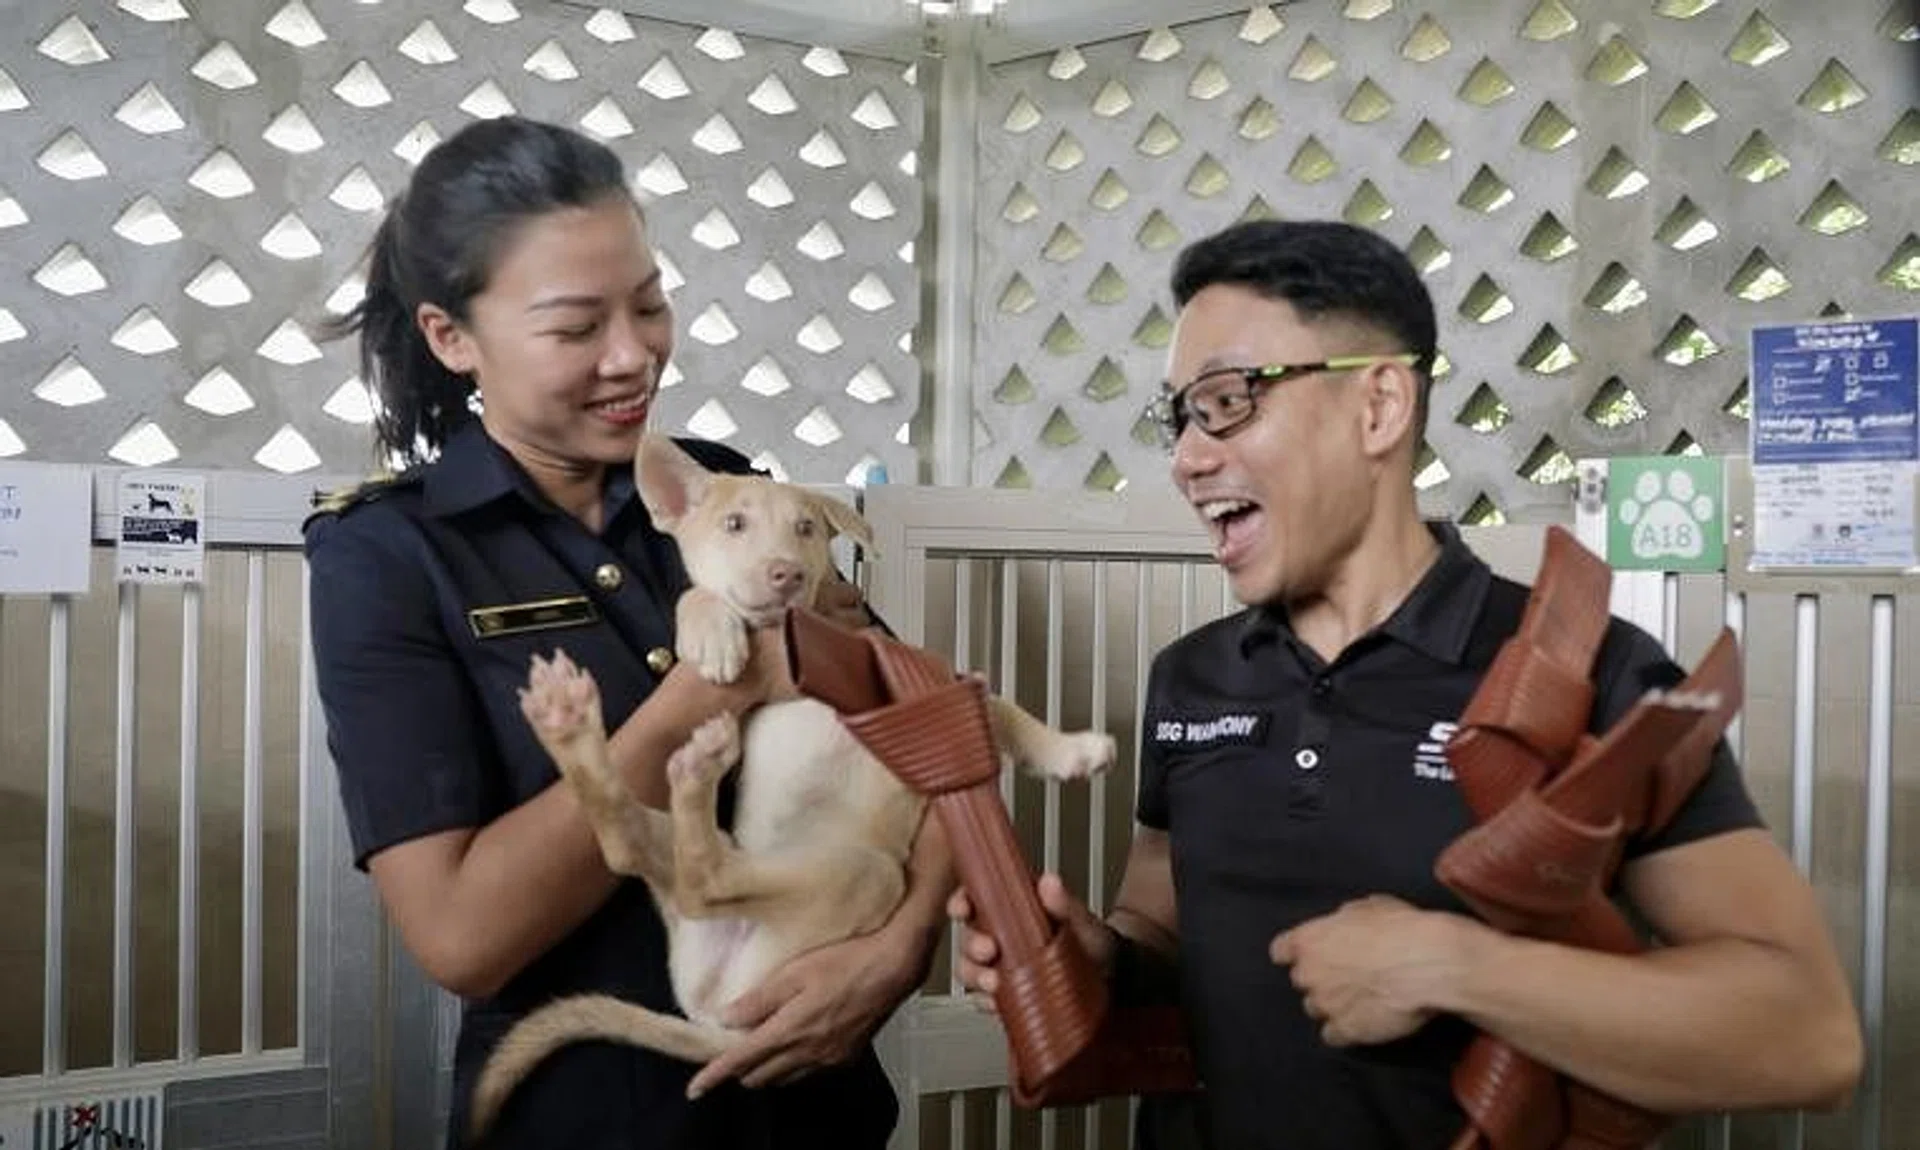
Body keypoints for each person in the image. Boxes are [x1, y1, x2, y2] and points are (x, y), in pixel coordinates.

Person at [950, 219, 1863, 1148]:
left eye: (1227, 402)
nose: (1186, 455)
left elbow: (1807, 1035)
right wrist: (1092, 959)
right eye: (1179, 415)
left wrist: (1457, 969)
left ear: (1379, 406)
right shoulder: (1190, 678)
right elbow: (1161, 928)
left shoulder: (1588, 672)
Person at [305, 115, 946, 1149]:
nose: (633, 353)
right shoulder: (387, 556)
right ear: (450, 336)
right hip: (586, 1114)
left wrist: (901, 948)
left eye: (649, 303)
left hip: (816, 1110)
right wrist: (709, 693)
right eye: (574, 326)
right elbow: (464, 935)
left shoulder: (718, 486)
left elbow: (924, 727)